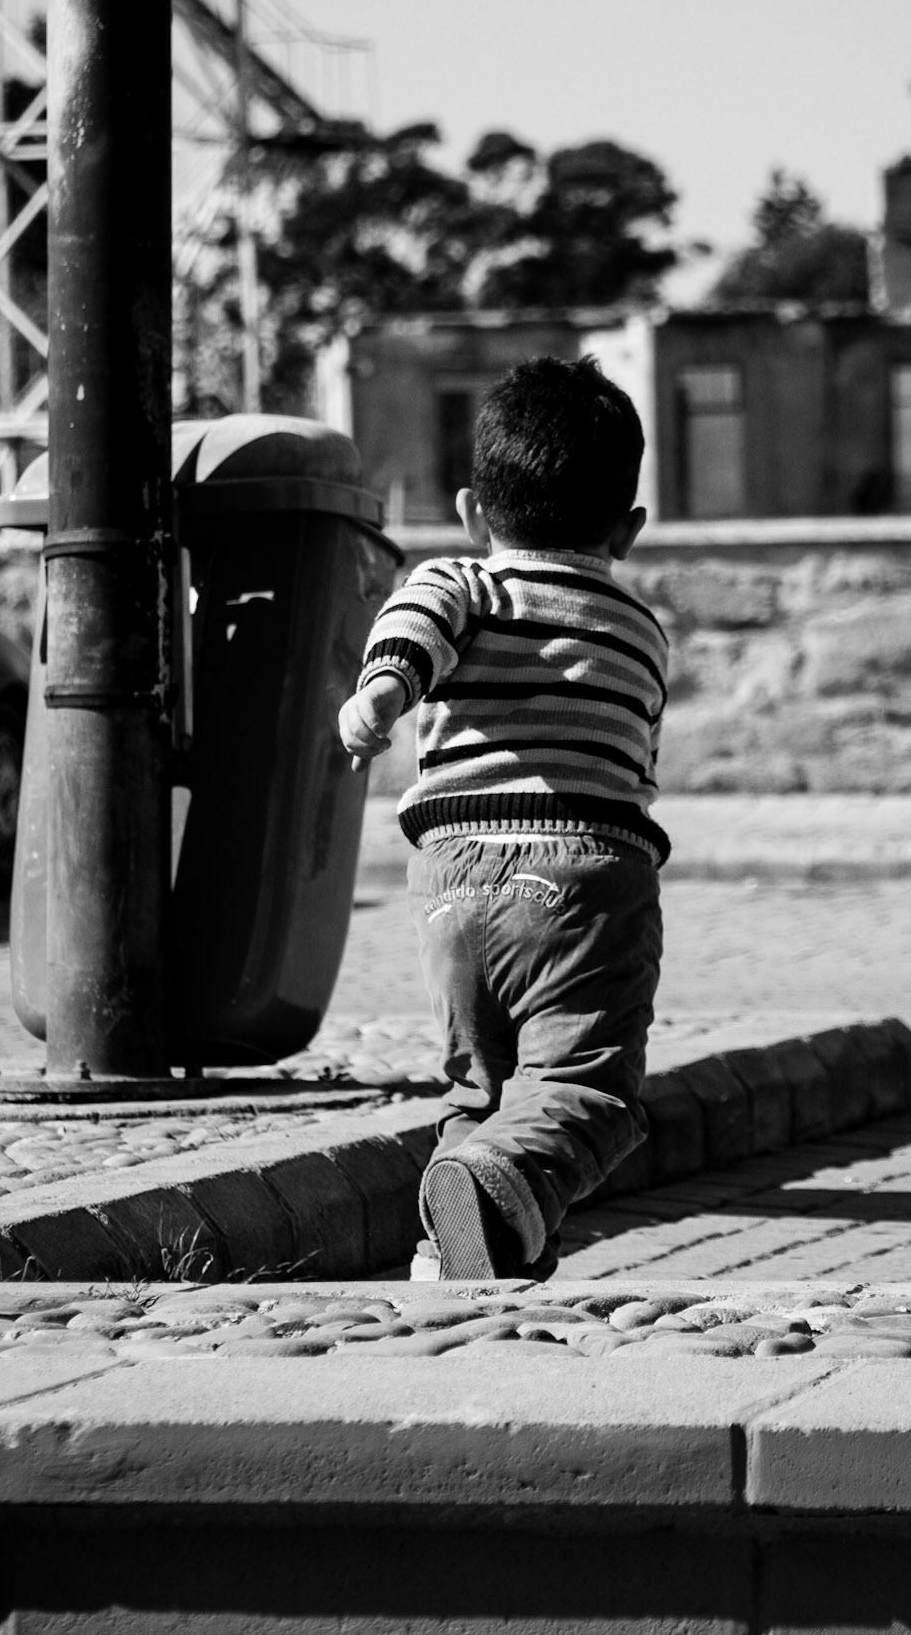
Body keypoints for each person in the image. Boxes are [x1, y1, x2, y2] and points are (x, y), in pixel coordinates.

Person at [338, 355, 668, 1281]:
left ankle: (465, 1252)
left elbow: (416, 619)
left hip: (450, 880)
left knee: (478, 1089)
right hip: (586, 876)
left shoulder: (465, 583)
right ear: (628, 529)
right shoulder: (640, 630)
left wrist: (382, 692)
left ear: (471, 514)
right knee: (584, 1088)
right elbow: (635, 767)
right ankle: (495, 1191)